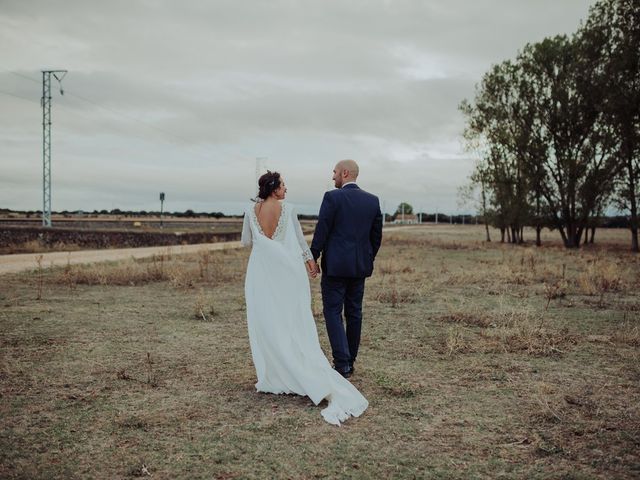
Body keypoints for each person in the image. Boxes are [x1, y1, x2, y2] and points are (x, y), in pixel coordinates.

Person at [240, 170, 368, 426]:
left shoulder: (249, 210)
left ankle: (275, 374)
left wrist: (264, 242)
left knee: (267, 321)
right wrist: (311, 262)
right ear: (275, 188)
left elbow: (246, 242)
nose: (286, 189)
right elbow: (299, 240)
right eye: (284, 185)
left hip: (261, 273)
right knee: (292, 320)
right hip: (288, 272)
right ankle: (296, 368)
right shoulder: (288, 209)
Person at [310, 160, 383, 378]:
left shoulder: (332, 197)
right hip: (359, 267)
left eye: (334, 172)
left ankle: (342, 364)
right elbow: (376, 237)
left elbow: (322, 229)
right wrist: (367, 258)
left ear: (344, 173)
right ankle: (350, 360)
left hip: (335, 267)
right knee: (354, 313)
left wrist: (313, 255)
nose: (333, 177)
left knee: (332, 311)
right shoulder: (372, 201)